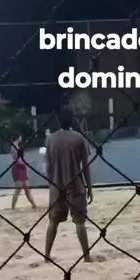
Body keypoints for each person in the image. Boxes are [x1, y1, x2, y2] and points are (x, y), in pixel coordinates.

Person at [44, 106, 93, 262]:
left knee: (53, 222)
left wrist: (52, 184)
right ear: (72, 119)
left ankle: (46, 256)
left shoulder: (50, 140)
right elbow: (85, 167)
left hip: (56, 186)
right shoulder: (79, 139)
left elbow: (48, 167)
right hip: (75, 185)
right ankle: (87, 256)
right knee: (80, 222)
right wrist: (89, 187)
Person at [11, 134, 37, 209]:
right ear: (18, 137)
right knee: (18, 189)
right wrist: (29, 163)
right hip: (18, 168)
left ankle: (34, 205)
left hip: (22, 168)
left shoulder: (17, 146)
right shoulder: (14, 147)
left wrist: (27, 163)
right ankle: (13, 207)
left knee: (27, 188)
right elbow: (18, 161)